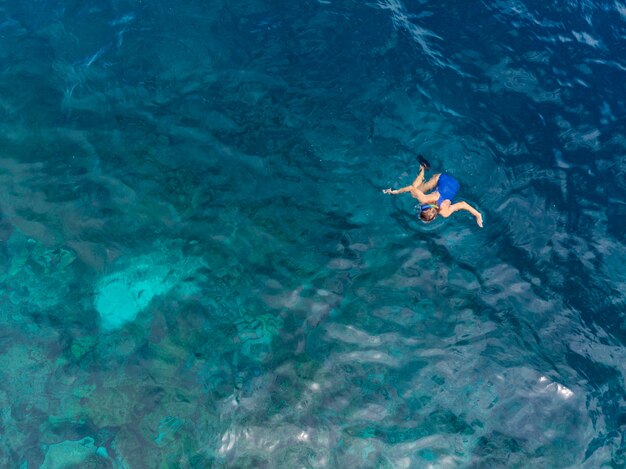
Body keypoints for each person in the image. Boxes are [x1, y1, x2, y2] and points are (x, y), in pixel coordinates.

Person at [383, 155, 483, 227]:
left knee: (417, 191)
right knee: (415, 191)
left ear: (434, 217)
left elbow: (463, 204)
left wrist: (478, 215)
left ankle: (423, 168)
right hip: (442, 178)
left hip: (456, 185)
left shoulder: (445, 212)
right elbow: (411, 188)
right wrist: (395, 191)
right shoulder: (424, 199)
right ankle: (422, 167)